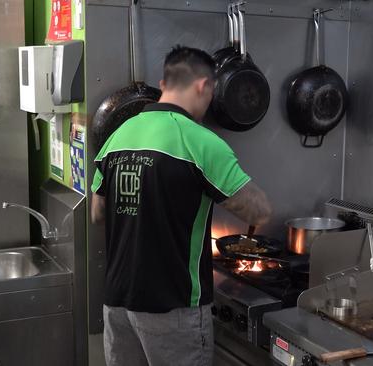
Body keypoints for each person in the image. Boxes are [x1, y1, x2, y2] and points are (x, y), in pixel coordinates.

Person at [90, 45, 272, 366]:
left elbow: (97, 214)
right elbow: (258, 212)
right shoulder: (200, 142)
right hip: (172, 308)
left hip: (117, 304)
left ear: (164, 85)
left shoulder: (117, 136)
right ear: (204, 86)